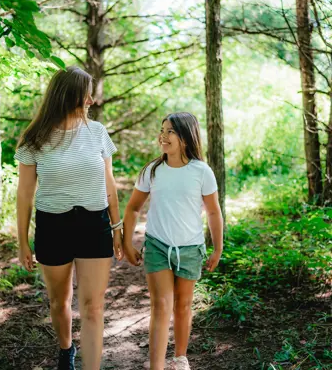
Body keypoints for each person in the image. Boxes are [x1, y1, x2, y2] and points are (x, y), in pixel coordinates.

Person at [15, 67, 123, 370]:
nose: (91, 99)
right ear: (70, 95)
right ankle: (66, 351)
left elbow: (109, 181)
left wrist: (116, 227)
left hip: (94, 225)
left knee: (93, 306)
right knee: (59, 301)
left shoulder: (97, 131)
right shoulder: (35, 137)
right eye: (86, 92)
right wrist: (22, 241)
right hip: (53, 227)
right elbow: (24, 194)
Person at [123, 112, 223, 370]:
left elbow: (213, 211)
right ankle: (156, 366)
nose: (163, 136)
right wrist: (126, 242)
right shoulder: (152, 170)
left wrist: (218, 247)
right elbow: (133, 208)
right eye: (162, 130)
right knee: (161, 305)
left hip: (190, 248)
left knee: (183, 305)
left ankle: (180, 358)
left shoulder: (201, 171)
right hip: (157, 246)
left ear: (186, 138)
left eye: (170, 132)